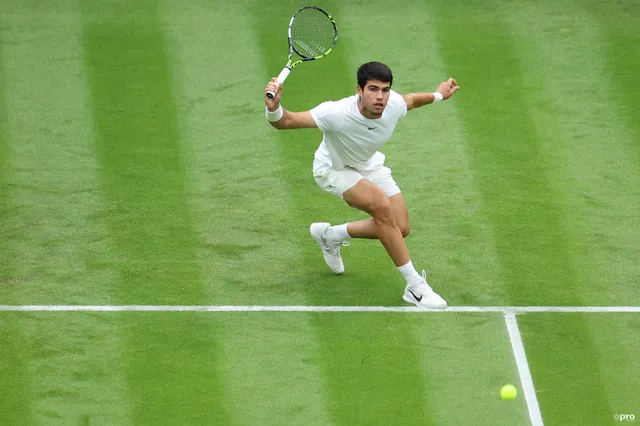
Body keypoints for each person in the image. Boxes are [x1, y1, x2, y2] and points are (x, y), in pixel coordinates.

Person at [263, 61, 459, 309]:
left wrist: (440, 94)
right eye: (373, 89)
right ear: (359, 90)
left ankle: (330, 235)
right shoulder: (335, 113)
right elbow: (285, 122)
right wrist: (274, 108)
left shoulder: (393, 104)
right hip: (333, 169)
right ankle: (415, 287)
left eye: (385, 90)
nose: (380, 97)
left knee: (400, 227)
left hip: (367, 164)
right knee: (380, 205)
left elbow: (411, 100)